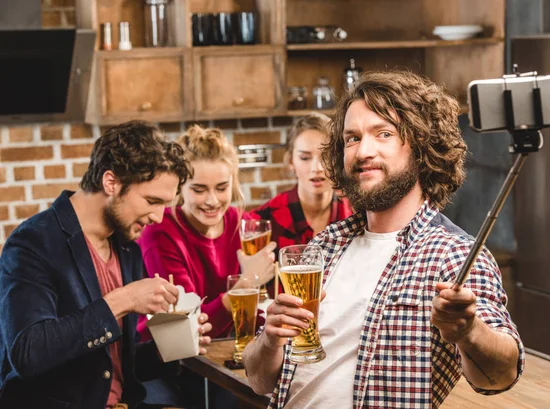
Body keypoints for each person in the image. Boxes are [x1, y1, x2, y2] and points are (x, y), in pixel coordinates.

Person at [243, 71, 525, 408]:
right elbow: (260, 382)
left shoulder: (455, 255)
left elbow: (501, 376)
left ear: (421, 146)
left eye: (384, 134)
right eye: (351, 138)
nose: (363, 151)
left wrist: (469, 331)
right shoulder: (325, 245)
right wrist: (270, 340)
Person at [0, 120, 213, 409]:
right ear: (111, 182)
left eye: (165, 204)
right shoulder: (33, 243)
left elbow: (111, 366)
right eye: (152, 200)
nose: (159, 217)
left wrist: (174, 347)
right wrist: (122, 301)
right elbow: (28, 354)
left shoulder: (126, 248)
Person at [137, 124, 275, 341]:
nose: (212, 201)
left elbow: (258, 318)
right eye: (198, 190)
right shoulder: (160, 232)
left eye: (221, 188)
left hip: (225, 351)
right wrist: (246, 285)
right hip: (165, 358)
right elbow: (187, 327)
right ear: (180, 187)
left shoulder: (244, 225)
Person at [248, 112, 353, 257]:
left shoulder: (357, 216)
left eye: (327, 156)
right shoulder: (261, 222)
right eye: (305, 158)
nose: (317, 168)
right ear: (291, 161)